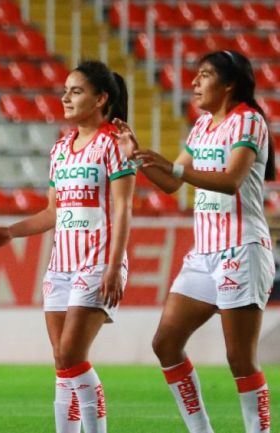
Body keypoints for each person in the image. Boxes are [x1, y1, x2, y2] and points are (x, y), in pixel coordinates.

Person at [114, 50, 274, 433]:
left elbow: (231, 180)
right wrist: (137, 157)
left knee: (239, 359)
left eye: (204, 75)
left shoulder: (248, 121)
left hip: (242, 249)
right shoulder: (202, 126)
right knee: (165, 343)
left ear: (229, 84)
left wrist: (176, 168)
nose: (194, 83)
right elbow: (172, 183)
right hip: (204, 254)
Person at [0, 60, 135, 433]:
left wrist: (115, 266)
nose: (65, 97)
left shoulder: (114, 144)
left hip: (98, 260)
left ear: (101, 99)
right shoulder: (61, 148)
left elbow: (123, 207)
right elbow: (54, 211)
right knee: (61, 361)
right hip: (60, 266)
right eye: (66, 90)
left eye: (76, 91)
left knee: (72, 355)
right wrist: (12, 231)